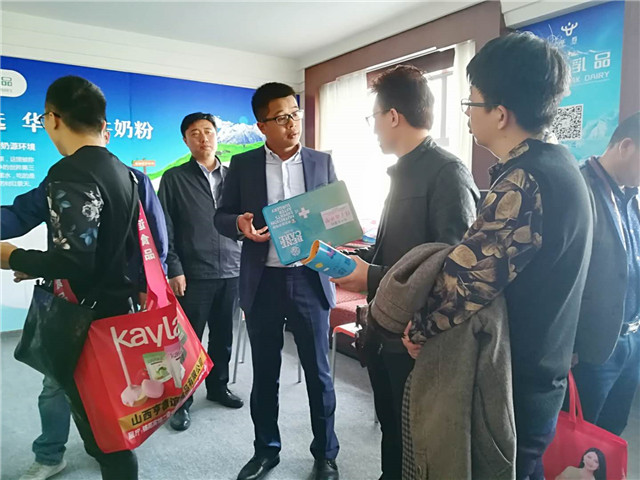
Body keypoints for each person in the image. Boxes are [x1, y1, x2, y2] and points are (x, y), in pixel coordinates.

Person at [401, 32, 592, 479]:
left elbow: (467, 281)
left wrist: (419, 328)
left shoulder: (525, 181)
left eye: (471, 103)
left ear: (501, 114)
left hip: (513, 382)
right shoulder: (562, 164)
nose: (467, 114)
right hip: (542, 370)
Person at [331, 64, 479, 480]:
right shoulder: (402, 171)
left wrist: (370, 277)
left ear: (393, 116)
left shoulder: (447, 173)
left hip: (417, 340)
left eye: (374, 117)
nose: (374, 128)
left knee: (417, 441)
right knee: (393, 432)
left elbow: (453, 269)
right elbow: (398, 250)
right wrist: (350, 260)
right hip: (384, 331)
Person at [1, 126, 167, 480]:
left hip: (110, 308)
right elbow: (20, 216)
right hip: (67, 305)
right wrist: (43, 266)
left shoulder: (133, 179)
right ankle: (51, 454)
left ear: (54, 120)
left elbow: (153, 238)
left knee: (110, 390)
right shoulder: (61, 177)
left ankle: (109, 448)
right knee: (55, 383)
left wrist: (145, 286)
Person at [215, 82, 339, 480]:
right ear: (262, 125)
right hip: (263, 282)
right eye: (282, 117)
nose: (292, 124)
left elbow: (336, 214)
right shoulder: (244, 165)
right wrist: (239, 224)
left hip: (309, 280)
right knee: (265, 374)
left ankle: (326, 454)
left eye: (295, 114)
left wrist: (332, 229)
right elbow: (221, 215)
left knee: (319, 374)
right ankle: (266, 450)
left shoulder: (321, 162)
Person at [158, 112, 244, 432]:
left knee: (223, 337)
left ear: (217, 136)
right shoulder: (174, 178)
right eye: (195, 133)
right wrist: (174, 267)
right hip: (192, 273)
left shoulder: (234, 177)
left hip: (232, 270)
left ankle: (218, 387)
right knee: (185, 342)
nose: (203, 138)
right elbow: (164, 227)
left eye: (208, 131)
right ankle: (181, 401)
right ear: (185, 140)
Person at [572, 112, 640, 436]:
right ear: (626, 146)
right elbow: (564, 276)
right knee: (581, 438)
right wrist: (567, 345)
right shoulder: (579, 189)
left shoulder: (632, 197)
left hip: (631, 341)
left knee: (612, 433)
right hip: (592, 348)